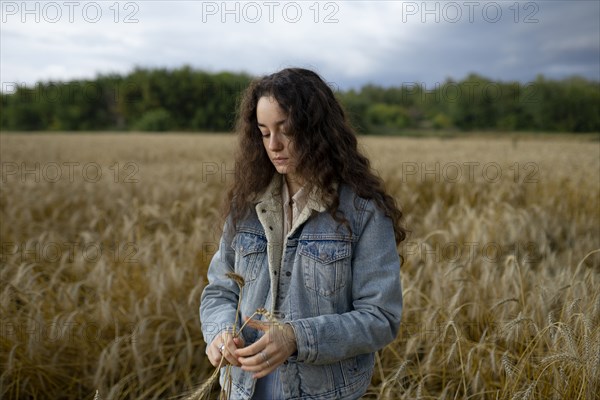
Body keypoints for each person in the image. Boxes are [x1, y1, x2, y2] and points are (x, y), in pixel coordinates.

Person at [199, 67, 405, 400]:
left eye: (286, 129)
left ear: (316, 129)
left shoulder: (363, 212)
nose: (274, 145)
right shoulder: (247, 205)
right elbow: (220, 290)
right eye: (264, 133)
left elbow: (380, 317)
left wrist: (297, 337)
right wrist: (219, 334)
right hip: (243, 390)